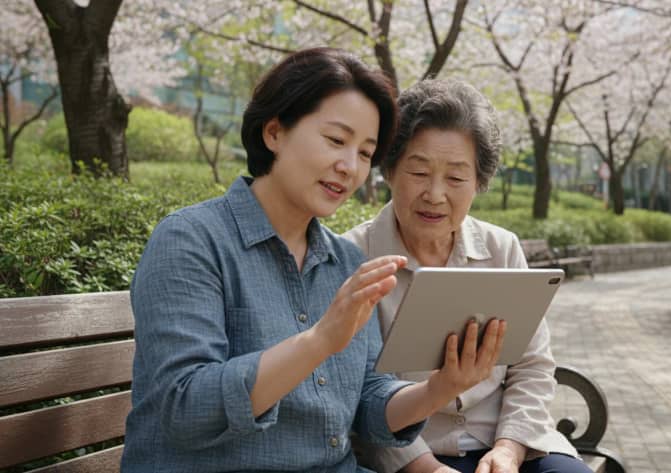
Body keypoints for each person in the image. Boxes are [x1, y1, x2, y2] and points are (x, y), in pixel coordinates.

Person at [121, 49, 507, 473]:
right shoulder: (191, 240)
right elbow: (185, 407)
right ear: (274, 132)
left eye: (365, 153)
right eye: (336, 141)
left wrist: (438, 388)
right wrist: (319, 340)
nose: (349, 167)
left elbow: (368, 402)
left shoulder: (342, 260)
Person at [344, 79, 591, 473]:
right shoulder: (352, 258)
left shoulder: (502, 249)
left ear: (479, 183)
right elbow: (356, 395)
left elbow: (533, 366)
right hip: (410, 457)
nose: (436, 194)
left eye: (457, 179)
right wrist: (427, 467)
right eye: (419, 171)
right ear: (389, 170)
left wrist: (509, 450)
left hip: (508, 443)